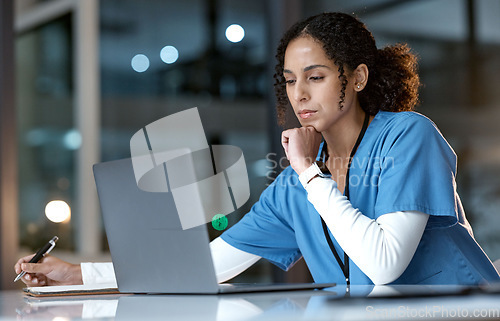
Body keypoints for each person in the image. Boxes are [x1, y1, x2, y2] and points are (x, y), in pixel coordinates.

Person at [15, 12, 500, 287]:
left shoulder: (407, 136)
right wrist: (75, 273)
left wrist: (311, 174)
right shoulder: (292, 187)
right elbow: (206, 266)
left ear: (356, 77)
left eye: (316, 77)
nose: (300, 95)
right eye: (291, 81)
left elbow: (385, 264)